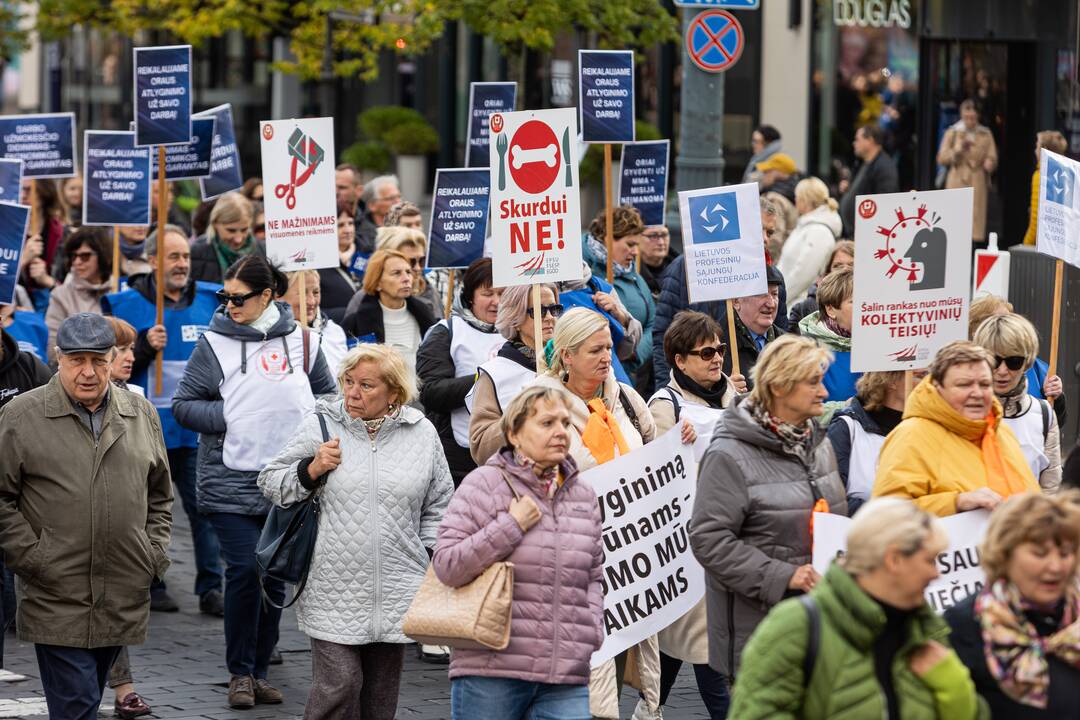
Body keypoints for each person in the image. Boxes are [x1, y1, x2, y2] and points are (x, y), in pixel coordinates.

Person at [172, 256, 336, 707]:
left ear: (267, 296)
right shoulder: (213, 344)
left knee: (274, 577)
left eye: (238, 298)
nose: (228, 304)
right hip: (229, 481)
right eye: (224, 296)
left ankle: (261, 671)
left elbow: (326, 396)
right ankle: (239, 673)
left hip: (288, 482)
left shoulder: (304, 341)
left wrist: (311, 427)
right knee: (245, 570)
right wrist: (231, 416)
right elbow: (185, 404)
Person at [259, 344, 452, 720]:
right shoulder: (322, 424)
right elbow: (270, 481)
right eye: (348, 382)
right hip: (333, 586)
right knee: (340, 684)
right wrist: (309, 470)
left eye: (366, 385)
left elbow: (441, 502)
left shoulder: (422, 432)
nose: (352, 393)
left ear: (394, 393)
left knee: (380, 700)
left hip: (400, 584)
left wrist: (432, 555)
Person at [0, 313, 172, 720]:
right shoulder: (22, 416)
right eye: (77, 360)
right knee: (77, 706)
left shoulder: (140, 413)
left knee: (86, 699)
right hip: (56, 590)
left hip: (121, 589)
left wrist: (153, 554)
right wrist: (32, 556)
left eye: (98, 360)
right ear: (58, 359)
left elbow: (160, 494)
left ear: (113, 360)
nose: (89, 372)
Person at [532, 307, 687, 720]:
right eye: (594, 350)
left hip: (626, 561)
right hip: (569, 561)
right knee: (579, 676)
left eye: (608, 348)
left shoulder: (626, 398)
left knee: (616, 663)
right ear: (565, 355)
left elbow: (654, 459)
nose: (606, 357)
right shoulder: (540, 404)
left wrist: (683, 438)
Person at [433, 385, 604, 720]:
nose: (560, 432)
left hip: (565, 672)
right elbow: (448, 565)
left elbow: (594, 573)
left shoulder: (582, 494)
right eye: (546, 423)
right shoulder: (483, 484)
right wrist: (511, 525)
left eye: (565, 423)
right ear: (513, 433)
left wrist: (591, 629)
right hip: (492, 670)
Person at [731, 498, 988, 720]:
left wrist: (955, 688)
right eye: (929, 560)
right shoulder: (795, 626)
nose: (937, 573)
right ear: (894, 559)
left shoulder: (927, 629)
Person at [689, 335, 847, 686]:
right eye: (813, 383)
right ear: (779, 386)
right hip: (762, 639)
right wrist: (782, 576)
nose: (823, 392)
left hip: (820, 627)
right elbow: (708, 540)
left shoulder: (818, 444)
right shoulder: (728, 454)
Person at [101, 225, 225, 617]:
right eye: (173, 256)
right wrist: (140, 347)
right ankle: (151, 582)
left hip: (193, 432)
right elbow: (102, 366)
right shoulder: (122, 305)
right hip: (140, 431)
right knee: (142, 512)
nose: (182, 264)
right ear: (153, 260)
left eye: (185, 256)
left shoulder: (210, 301)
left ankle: (211, 586)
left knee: (203, 511)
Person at [647, 311, 744, 719]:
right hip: (685, 546)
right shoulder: (664, 404)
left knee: (676, 646)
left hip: (730, 535)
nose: (717, 358)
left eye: (720, 349)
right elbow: (650, 475)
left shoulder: (735, 400)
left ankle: (649, 708)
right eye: (706, 352)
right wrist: (673, 444)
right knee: (703, 645)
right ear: (680, 361)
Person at [946, 491, 1080, 718]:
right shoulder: (964, 625)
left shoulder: (1073, 615)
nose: (1056, 566)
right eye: (1040, 554)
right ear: (1004, 553)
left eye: (1065, 553)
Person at [873, 341, 1039, 516]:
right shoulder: (910, 436)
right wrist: (956, 502)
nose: (977, 393)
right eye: (964, 385)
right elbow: (885, 516)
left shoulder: (999, 430)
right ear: (938, 388)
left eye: (984, 384)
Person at [652, 196, 790, 387]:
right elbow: (663, 338)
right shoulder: (687, 268)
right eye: (759, 230)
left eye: (770, 232)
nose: (765, 238)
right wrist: (670, 394)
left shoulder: (773, 277)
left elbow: (779, 335)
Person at [99, 317, 154, 719]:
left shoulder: (136, 397)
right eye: (122, 350)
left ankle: (121, 688)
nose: (130, 357)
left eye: (133, 349)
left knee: (112, 607)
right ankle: (122, 688)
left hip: (126, 520)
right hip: (83, 518)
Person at [417, 257, 504, 485]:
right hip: (458, 459)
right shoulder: (447, 332)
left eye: (503, 294)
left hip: (509, 455)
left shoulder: (520, 331)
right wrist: (486, 379)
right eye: (488, 294)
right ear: (470, 297)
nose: (496, 302)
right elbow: (430, 392)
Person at [467, 283, 559, 467]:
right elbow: (481, 449)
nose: (549, 317)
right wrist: (523, 415)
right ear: (515, 318)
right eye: (539, 311)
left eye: (554, 309)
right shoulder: (494, 373)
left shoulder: (570, 362)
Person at [973, 313, 1062, 493]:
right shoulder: (960, 411)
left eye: (1014, 361)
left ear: (1027, 362)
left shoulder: (1044, 413)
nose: (1003, 371)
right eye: (994, 360)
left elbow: (1051, 489)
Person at [581, 205, 655, 384]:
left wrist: (636, 354)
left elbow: (653, 322)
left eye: (637, 245)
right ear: (608, 238)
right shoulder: (585, 275)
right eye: (630, 244)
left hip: (634, 374)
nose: (636, 252)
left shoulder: (633, 274)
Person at [968, 294, 1066, 425]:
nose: (1003, 370)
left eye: (1014, 362)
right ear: (975, 330)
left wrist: (1057, 397)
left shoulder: (1037, 368)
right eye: (995, 321)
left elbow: (1053, 423)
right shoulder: (960, 370)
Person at [341, 249, 437, 373]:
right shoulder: (355, 323)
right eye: (396, 273)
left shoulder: (425, 315)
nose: (406, 278)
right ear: (377, 283)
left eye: (408, 272)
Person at [827, 371, 908, 515]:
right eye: (920, 375)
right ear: (891, 381)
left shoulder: (924, 430)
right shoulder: (847, 427)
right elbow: (832, 498)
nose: (929, 382)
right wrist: (889, 515)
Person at [45, 227, 113, 365]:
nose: (77, 262)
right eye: (73, 256)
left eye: (84, 256)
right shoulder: (61, 295)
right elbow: (52, 348)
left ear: (102, 255)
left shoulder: (121, 290)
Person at [937, 99, 998, 243]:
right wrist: (957, 150)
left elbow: (992, 155)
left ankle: (972, 251)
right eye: (966, 117)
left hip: (977, 180)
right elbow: (942, 158)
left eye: (973, 118)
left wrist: (990, 163)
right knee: (954, 221)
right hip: (957, 179)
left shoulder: (985, 134)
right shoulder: (953, 132)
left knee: (974, 223)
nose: (970, 121)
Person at [777, 178, 842, 303]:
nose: (795, 200)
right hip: (787, 302)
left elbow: (804, 275)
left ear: (805, 200)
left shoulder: (819, 232)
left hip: (797, 307)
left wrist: (779, 301)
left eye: (797, 197)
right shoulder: (808, 227)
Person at [798, 268, 859, 402]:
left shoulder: (879, 346)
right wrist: (847, 408)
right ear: (830, 309)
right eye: (855, 301)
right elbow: (802, 410)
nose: (865, 306)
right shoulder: (806, 353)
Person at [282, 269, 349, 381]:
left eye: (316, 292)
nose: (312, 301)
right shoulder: (274, 340)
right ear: (278, 296)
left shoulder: (334, 331)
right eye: (303, 293)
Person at [727, 265, 787, 387]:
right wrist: (724, 389)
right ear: (736, 301)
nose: (771, 304)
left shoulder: (788, 344)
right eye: (761, 294)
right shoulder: (716, 348)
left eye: (774, 294)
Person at [189, 192, 263, 284]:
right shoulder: (196, 253)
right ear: (215, 223)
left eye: (244, 230)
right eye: (231, 231)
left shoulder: (263, 250)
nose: (238, 239)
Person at [839, 124, 899, 238]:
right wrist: (849, 188)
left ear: (870, 140)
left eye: (857, 139)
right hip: (854, 233)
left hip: (868, 235)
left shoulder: (884, 167)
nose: (854, 143)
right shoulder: (863, 163)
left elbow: (886, 201)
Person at [373, 226, 441, 317]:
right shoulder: (366, 300)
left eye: (421, 261)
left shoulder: (430, 292)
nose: (417, 268)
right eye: (410, 262)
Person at [788, 240, 853, 331]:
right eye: (838, 266)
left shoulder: (873, 307)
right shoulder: (803, 310)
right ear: (827, 272)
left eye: (852, 265)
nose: (845, 270)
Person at [318, 201, 362, 324]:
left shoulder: (366, 255)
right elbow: (314, 311)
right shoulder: (318, 265)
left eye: (350, 223)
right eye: (340, 225)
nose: (347, 230)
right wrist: (348, 313)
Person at [1024, 130, 1069, 246]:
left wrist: (1025, 244)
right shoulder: (1068, 175)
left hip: (1043, 246)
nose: (1035, 150)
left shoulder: (1040, 176)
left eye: (1037, 146)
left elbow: (1035, 221)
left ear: (1043, 149)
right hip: (1063, 245)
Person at [356, 175, 402, 251]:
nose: (398, 202)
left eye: (399, 197)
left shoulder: (407, 224)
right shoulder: (363, 236)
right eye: (391, 198)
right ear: (372, 205)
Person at [638, 225, 676, 298]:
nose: (661, 242)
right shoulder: (630, 273)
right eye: (653, 236)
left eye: (664, 235)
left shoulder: (683, 270)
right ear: (637, 238)